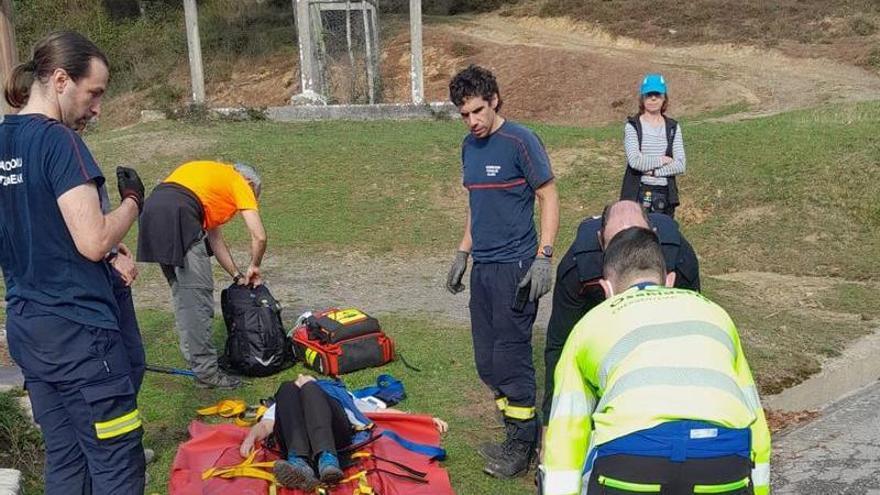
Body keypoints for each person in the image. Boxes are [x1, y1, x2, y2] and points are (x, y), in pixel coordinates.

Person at [0, 31, 147, 493]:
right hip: (82, 340)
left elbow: (35, 228)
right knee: (116, 463)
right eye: (95, 93)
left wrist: (104, 257)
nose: (97, 107)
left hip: (31, 331)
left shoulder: (4, 140)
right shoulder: (59, 142)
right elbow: (91, 238)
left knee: (65, 463)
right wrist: (132, 203)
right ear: (61, 80)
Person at [541, 227, 770, 495]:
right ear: (669, 280)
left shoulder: (590, 324)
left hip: (631, 458)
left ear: (607, 288)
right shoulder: (716, 315)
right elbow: (757, 426)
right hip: (722, 458)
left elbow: (567, 436)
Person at [445, 64, 559, 478]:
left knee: (511, 360)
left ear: (493, 101)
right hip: (484, 268)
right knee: (486, 362)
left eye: (477, 110)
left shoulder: (521, 141)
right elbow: (477, 207)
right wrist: (462, 253)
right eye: (464, 114)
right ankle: (513, 430)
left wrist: (544, 256)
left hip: (517, 267)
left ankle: (522, 446)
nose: (472, 121)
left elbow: (547, 195)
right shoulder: (467, 147)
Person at [541, 200, 700, 426]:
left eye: (639, 240)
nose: (628, 253)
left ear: (654, 234)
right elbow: (559, 346)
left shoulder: (679, 258)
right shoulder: (577, 267)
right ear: (600, 240)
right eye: (616, 243)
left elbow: (692, 334)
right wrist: (550, 422)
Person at [137, 160, 267, 389]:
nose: (245, 203)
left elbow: (215, 239)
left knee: (185, 298)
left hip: (153, 213)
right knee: (197, 301)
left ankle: (199, 364)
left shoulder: (209, 179)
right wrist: (254, 265)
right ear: (249, 183)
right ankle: (207, 374)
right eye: (252, 196)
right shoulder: (239, 181)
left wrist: (237, 275)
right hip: (180, 215)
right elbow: (259, 236)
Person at [240, 374, 448, 490]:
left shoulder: (337, 394)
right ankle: (299, 463)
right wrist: (249, 439)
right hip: (296, 440)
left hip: (333, 435)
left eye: (305, 376)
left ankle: (327, 460)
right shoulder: (287, 399)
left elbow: (377, 410)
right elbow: (266, 425)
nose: (300, 377)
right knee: (285, 388)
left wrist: (424, 420)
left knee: (312, 391)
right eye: (299, 378)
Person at [619, 73, 686, 218]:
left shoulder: (673, 127)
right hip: (637, 194)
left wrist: (655, 172)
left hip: (666, 195)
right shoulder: (632, 126)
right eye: (649, 95)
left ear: (664, 98)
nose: (653, 98)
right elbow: (635, 161)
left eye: (657, 94)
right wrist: (662, 160)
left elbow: (680, 165)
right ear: (642, 98)